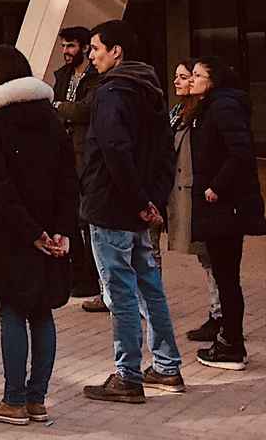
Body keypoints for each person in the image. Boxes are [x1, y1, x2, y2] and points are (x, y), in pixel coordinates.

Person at [0, 45, 78, 428]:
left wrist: (32, 233)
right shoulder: (51, 118)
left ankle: (14, 400)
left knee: (12, 310)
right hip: (49, 229)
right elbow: (68, 180)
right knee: (41, 311)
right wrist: (59, 231)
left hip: (9, 232)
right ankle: (37, 400)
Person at [79, 20, 186, 404]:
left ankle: (128, 375)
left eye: (95, 48)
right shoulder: (150, 91)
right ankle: (167, 366)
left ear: (116, 51)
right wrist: (151, 201)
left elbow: (114, 151)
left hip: (113, 208)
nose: (91, 56)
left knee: (120, 293)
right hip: (139, 208)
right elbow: (164, 154)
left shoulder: (111, 93)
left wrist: (141, 201)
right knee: (148, 287)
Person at [189, 57, 266, 372]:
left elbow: (240, 152)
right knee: (224, 276)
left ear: (213, 79)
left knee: (227, 277)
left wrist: (216, 187)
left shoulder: (223, 107)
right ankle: (228, 339)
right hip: (219, 206)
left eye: (198, 75)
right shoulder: (210, 107)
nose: (192, 79)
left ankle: (232, 345)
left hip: (224, 207)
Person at [166, 59, 221, 344]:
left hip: (197, 194)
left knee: (211, 256)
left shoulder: (203, 114)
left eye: (185, 76)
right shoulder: (178, 112)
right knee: (205, 257)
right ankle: (217, 312)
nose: (177, 81)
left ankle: (219, 315)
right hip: (179, 192)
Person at [51, 27, 103, 305]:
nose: (65, 51)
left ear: (83, 48)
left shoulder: (96, 77)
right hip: (65, 156)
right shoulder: (62, 76)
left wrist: (59, 106)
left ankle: (93, 277)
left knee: (88, 219)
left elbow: (85, 110)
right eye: (63, 46)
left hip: (86, 157)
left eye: (70, 46)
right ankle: (77, 274)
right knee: (69, 217)